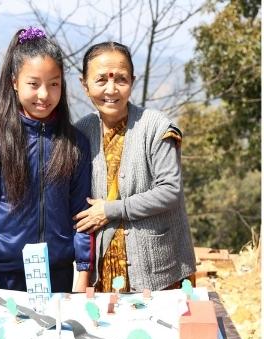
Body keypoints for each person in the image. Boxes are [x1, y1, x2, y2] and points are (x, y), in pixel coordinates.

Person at [0, 27, 92, 292]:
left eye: (54, 84)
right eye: (33, 84)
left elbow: (83, 215)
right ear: (14, 82)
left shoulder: (75, 144)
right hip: (3, 277)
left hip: (60, 277)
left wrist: (83, 272)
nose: (44, 95)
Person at [73, 41, 196, 292]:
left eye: (121, 79)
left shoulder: (156, 127)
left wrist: (111, 209)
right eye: (101, 81)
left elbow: (170, 190)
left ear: (132, 81)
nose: (112, 89)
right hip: (103, 272)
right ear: (84, 85)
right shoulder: (80, 132)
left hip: (159, 269)